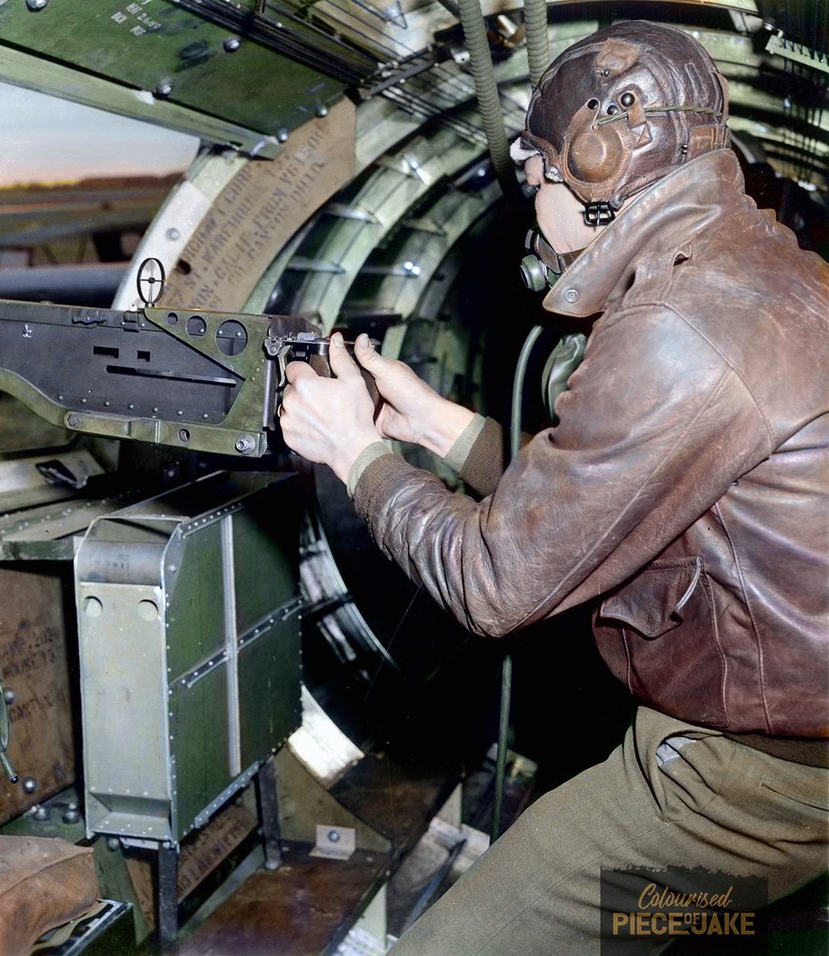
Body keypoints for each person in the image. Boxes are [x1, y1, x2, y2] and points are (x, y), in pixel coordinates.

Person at [280, 19, 829, 953]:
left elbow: (495, 584)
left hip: (752, 783)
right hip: (798, 751)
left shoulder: (673, 325)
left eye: (535, 175)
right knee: (664, 924)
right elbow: (640, 492)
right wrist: (444, 431)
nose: (533, 207)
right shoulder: (761, 266)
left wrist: (355, 454)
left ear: (600, 161)